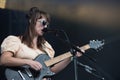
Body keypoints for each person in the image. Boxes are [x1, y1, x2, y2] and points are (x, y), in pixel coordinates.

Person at [0, 7, 82, 80]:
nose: (45, 26)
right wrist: (28, 62)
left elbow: (50, 70)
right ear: (31, 20)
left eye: (47, 24)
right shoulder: (15, 40)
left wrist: (71, 57)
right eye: (43, 23)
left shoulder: (46, 47)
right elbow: (4, 60)